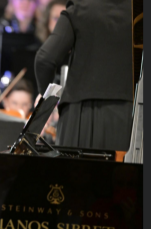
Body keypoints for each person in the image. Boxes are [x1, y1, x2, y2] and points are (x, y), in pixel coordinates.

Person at [34, 0, 133, 150]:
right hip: (131, 117)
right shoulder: (140, 12)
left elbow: (45, 59)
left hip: (80, 118)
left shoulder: (80, 8)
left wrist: (46, 102)